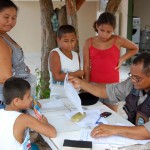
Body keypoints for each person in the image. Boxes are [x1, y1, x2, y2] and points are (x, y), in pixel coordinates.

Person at [69, 52, 150, 140]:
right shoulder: (131, 84)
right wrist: (81, 84)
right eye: (131, 75)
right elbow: (106, 91)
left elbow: (147, 132)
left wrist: (114, 129)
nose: (133, 80)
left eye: (137, 78)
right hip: (134, 136)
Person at [83, 12, 138, 111]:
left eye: (109, 32)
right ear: (97, 26)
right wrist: (86, 85)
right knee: (94, 113)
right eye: (102, 30)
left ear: (113, 30)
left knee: (112, 115)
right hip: (94, 85)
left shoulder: (117, 40)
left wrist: (122, 59)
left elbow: (135, 48)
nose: (104, 34)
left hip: (113, 87)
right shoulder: (88, 42)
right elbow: (86, 67)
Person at [0, 77, 57, 150]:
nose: (31, 99)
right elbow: (52, 133)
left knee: (34, 147)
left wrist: (28, 102)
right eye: (28, 96)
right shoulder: (23, 119)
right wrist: (45, 122)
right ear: (16, 101)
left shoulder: (1, 112)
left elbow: (36, 104)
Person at [0, 0, 37, 109]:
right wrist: (27, 102)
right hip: (13, 100)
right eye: (6, 17)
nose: (10, 21)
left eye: (14, 18)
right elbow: (5, 78)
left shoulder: (4, 34)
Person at [49, 25, 84, 99]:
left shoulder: (76, 55)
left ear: (76, 39)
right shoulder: (55, 53)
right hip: (59, 96)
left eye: (72, 40)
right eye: (66, 41)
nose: (70, 43)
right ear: (58, 40)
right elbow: (57, 77)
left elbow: (79, 78)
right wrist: (76, 74)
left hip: (75, 96)